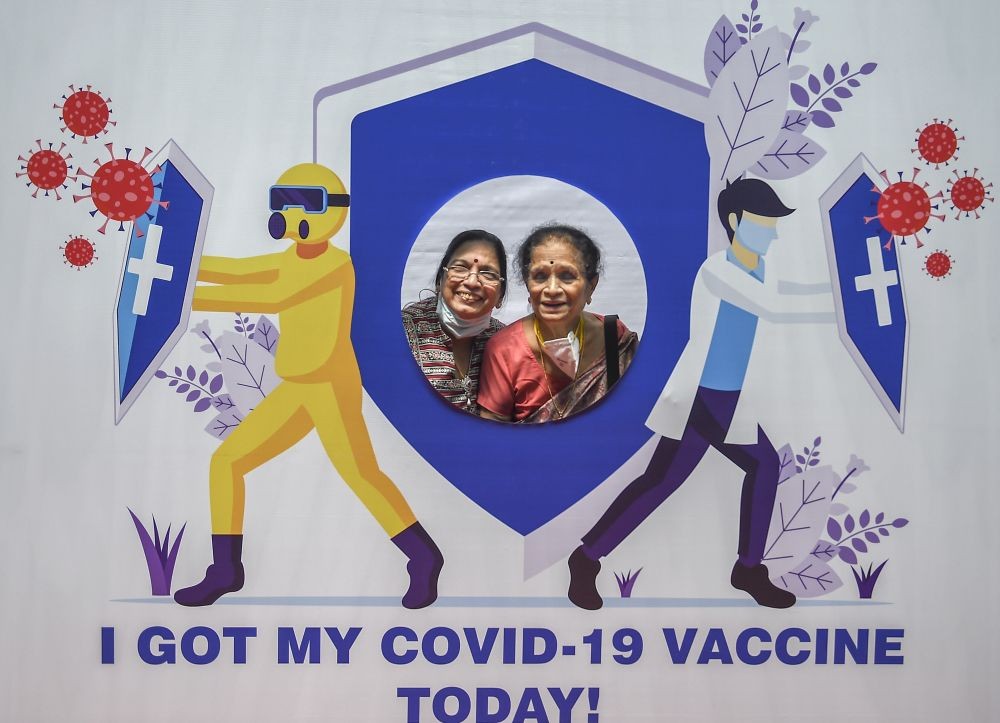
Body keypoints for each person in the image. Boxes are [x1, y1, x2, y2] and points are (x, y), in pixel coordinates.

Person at [173, 163, 443, 609]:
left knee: (359, 475)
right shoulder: (290, 260)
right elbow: (239, 273)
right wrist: (181, 265)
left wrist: (183, 295)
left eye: (305, 202)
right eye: (282, 201)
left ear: (331, 211)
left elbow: (269, 297)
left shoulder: (335, 264)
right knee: (227, 463)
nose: (291, 212)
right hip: (297, 386)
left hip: (330, 386)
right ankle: (225, 569)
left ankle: (423, 557)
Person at [567, 178, 836, 610]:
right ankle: (746, 568)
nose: (772, 232)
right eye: (764, 222)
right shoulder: (718, 271)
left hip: (729, 397)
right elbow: (777, 306)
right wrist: (841, 296)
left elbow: (777, 303)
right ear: (734, 222)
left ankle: (586, 558)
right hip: (702, 396)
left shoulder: (760, 271)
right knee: (761, 465)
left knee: (661, 482)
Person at [477, 224, 637, 423]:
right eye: (540, 276)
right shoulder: (504, 350)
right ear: (528, 285)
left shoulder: (613, 336)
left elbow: (635, 416)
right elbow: (492, 436)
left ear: (591, 286)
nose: (552, 289)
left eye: (567, 276)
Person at [401, 230, 507, 414]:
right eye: (460, 268)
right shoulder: (402, 332)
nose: (472, 282)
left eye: (488, 274)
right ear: (439, 282)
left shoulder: (506, 342)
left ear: (500, 296)